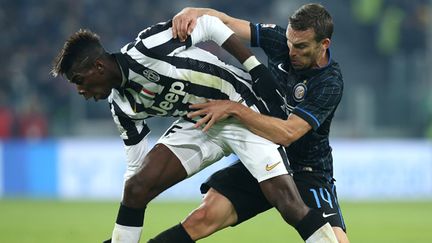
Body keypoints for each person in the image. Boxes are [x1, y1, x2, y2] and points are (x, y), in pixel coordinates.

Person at [51, 14, 337, 243]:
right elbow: (136, 173)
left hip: (240, 105)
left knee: (287, 202)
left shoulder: (149, 47)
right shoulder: (121, 107)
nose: (80, 90)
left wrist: (255, 69)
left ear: (98, 67)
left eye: (79, 79)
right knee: (137, 188)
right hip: (200, 121)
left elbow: (210, 25)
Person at [149, 3, 349, 243]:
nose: (292, 51)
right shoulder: (280, 41)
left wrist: (235, 109)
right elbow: (226, 22)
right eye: (289, 42)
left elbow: (287, 133)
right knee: (202, 217)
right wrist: (193, 11)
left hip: (307, 170)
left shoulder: (329, 83)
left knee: (335, 241)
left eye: (301, 46)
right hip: (265, 155)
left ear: (324, 44)